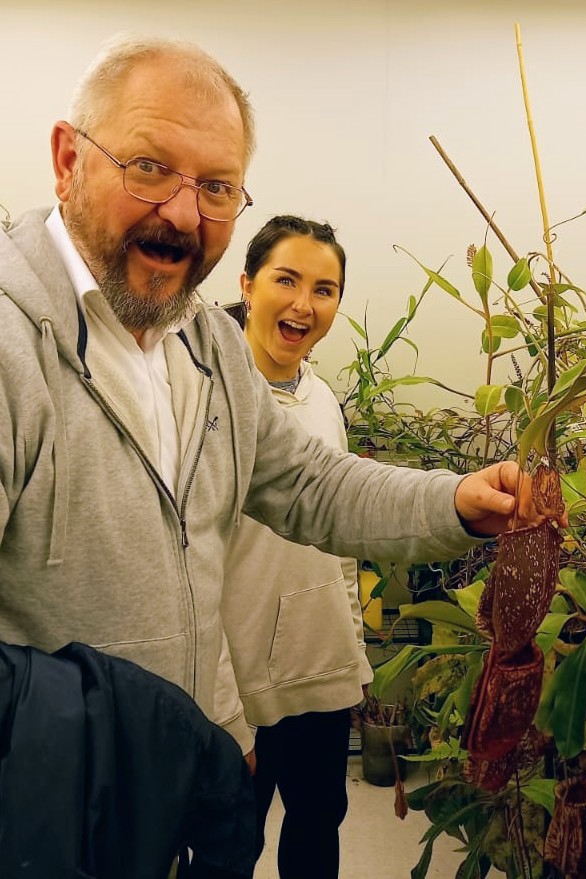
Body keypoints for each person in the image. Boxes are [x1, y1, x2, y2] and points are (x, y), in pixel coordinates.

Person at [0, 34, 538, 773]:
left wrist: (455, 502)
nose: (185, 215)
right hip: (58, 811)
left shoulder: (203, 344)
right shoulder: (13, 345)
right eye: (150, 168)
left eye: (217, 187)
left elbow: (308, 483)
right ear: (68, 161)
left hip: (193, 768)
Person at [220, 215, 362, 875]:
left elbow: (338, 541)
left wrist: (352, 648)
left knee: (315, 827)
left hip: (319, 671)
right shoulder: (205, 399)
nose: (305, 303)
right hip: (235, 686)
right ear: (247, 285)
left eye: (324, 288)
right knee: (226, 841)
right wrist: (216, 699)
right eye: (287, 279)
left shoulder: (322, 399)